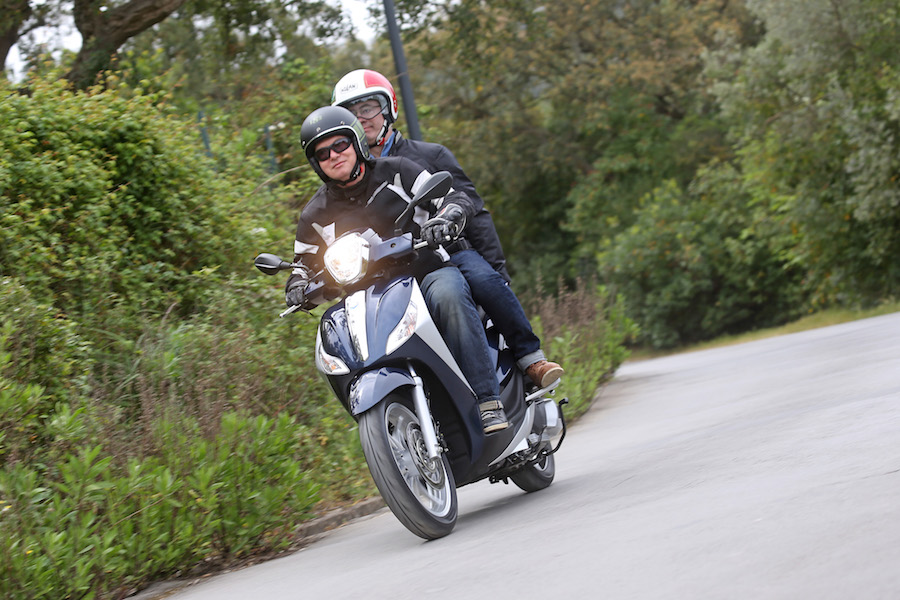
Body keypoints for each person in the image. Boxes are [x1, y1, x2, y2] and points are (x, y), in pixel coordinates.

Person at [331, 69, 564, 388]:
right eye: (351, 113)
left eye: (369, 107)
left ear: (388, 109)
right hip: (388, 274)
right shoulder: (344, 183)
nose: (362, 118)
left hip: (448, 253)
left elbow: (472, 206)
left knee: (484, 279)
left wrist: (497, 268)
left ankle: (530, 359)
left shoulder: (429, 155)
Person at [285, 105, 509, 433]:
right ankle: (381, 421)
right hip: (366, 297)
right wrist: (296, 285)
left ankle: (488, 399)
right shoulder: (314, 215)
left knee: (449, 293)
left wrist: (445, 217)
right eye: (322, 153)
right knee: (334, 330)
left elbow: (453, 198)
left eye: (340, 145)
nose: (333, 155)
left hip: (425, 273)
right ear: (315, 163)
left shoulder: (399, 170)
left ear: (357, 142)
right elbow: (302, 265)